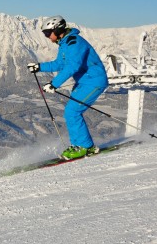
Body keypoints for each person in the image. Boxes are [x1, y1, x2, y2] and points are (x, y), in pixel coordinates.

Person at [26, 15, 109, 160]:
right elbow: (60, 64)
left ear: (57, 30)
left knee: (73, 111)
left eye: (47, 33)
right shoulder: (65, 43)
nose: (47, 37)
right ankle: (80, 145)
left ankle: (84, 147)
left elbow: (73, 66)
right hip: (84, 82)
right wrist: (39, 67)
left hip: (94, 82)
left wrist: (54, 84)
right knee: (70, 112)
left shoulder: (75, 43)